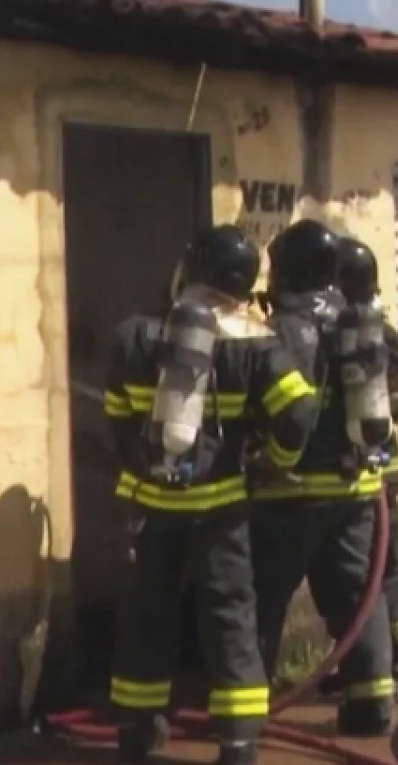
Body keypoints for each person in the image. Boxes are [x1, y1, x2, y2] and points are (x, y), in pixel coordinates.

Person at [103, 224, 317, 765]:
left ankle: (138, 735)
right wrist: (275, 462)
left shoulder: (132, 336)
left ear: (189, 269)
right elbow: (297, 413)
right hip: (221, 510)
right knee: (229, 619)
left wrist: (145, 467)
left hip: (151, 509)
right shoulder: (256, 344)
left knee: (147, 616)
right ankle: (239, 745)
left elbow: (118, 420)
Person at [249, 219, 396, 737]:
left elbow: (284, 411)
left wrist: (272, 459)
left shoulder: (280, 329)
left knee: (260, 600)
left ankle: (247, 713)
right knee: (358, 599)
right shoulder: (355, 321)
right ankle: (371, 705)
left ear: (287, 270)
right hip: (354, 490)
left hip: (287, 493)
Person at [318, 236, 398, 703]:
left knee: (384, 571)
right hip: (344, 473)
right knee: (348, 577)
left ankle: (397, 664)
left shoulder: (381, 334)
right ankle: (355, 662)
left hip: (380, 472)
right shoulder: (328, 330)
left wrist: (382, 410)